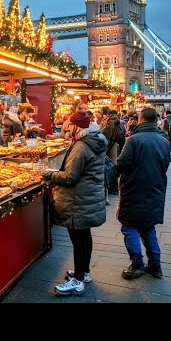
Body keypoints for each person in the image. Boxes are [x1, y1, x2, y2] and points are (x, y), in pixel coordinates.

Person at [41, 112, 107, 296]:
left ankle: (78, 281)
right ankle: (84, 272)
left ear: (76, 126)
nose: (67, 128)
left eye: (69, 125)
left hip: (78, 199)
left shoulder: (81, 147)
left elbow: (70, 177)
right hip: (88, 196)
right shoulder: (95, 141)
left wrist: (48, 173)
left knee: (78, 240)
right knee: (85, 236)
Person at [114, 107, 170, 280]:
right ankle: (155, 265)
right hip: (156, 188)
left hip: (134, 188)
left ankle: (137, 264)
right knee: (148, 227)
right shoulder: (164, 141)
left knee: (129, 226)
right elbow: (165, 164)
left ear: (140, 119)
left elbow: (122, 164)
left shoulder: (134, 140)